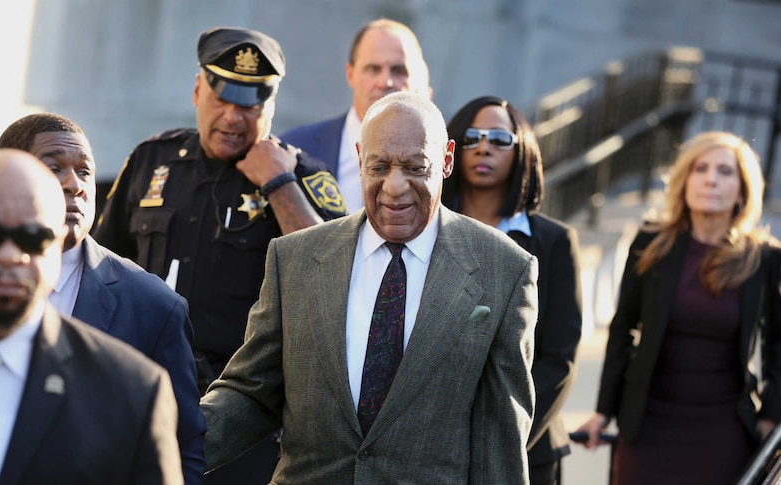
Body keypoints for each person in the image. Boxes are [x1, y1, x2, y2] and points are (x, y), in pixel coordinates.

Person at [200, 91, 539, 483]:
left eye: (415, 168)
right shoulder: (294, 259)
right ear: (360, 157)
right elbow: (251, 392)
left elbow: (500, 441)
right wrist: (163, 445)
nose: (395, 187)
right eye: (379, 167)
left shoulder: (503, 270)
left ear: (446, 160)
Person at [93, 26, 346, 483]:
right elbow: (102, 271)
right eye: (222, 100)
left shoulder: (305, 178)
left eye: (250, 105)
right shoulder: (154, 160)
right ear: (196, 91)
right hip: (141, 396)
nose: (233, 118)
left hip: (242, 416)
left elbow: (332, 282)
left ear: (270, 106)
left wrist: (278, 185)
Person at [0, 113, 207, 484]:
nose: (74, 185)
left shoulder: (141, 357)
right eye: (53, 168)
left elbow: (181, 455)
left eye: (84, 172)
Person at [575, 131, 781, 484]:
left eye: (725, 172)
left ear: (743, 190)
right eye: (701, 168)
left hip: (723, 433)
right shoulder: (652, 241)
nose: (711, 179)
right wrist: (603, 410)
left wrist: (770, 415)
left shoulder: (762, 258)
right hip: (647, 426)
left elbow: (778, 343)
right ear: (685, 181)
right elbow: (623, 326)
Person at [442, 95, 582, 485]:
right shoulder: (426, 233)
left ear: (522, 151)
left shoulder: (555, 241)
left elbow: (559, 360)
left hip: (527, 450)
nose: (484, 146)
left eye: (500, 139)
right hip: (431, 449)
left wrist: (506, 437)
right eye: (472, 137)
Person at [280, 18, 431, 212]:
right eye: (373, 69)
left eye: (399, 70)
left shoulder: (441, 159)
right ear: (350, 74)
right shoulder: (297, 148)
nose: (385, 82)